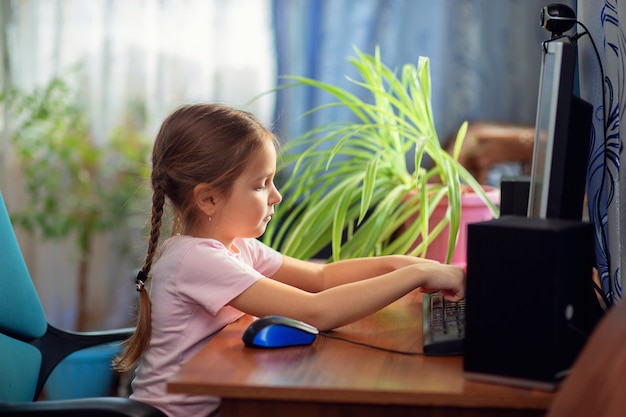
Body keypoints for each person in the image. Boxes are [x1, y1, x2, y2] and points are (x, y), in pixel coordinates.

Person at [114, 103, 465, 417]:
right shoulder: (194, 260)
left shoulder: (235, 247)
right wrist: (417, 274)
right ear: (208, 200)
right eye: (261, 185)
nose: (276, 196)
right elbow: (316, 311)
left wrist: (399, 264)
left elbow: (322, 277)